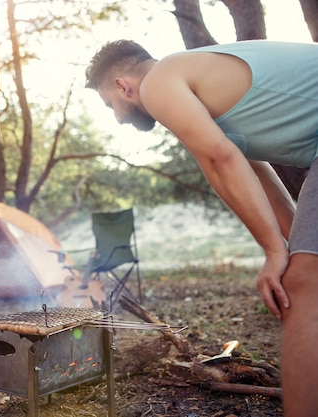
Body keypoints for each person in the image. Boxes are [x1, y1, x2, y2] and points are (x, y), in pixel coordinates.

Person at [85, 39, 318, 416]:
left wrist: (276, 254)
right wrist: (287, 248)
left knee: (302, 287)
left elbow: (220, 160)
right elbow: (254, 174)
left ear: (122, 86)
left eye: (110, 105)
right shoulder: (202, 89)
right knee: (304, 274)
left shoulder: (159, 80)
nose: (117, 116)